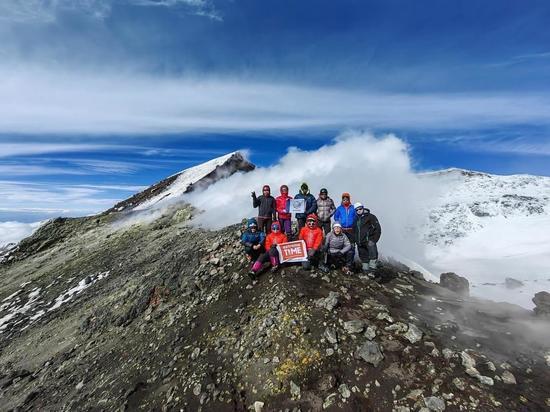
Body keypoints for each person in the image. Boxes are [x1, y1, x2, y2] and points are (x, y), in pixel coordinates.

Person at [352, 202, 382, 273]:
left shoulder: (370, 217)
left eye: (360, 208)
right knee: (363, 258)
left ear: (363, 208)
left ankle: (372, 270)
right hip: (360, 242)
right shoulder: (355, 219)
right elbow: (354, 231)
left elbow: (378, 229)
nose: (359, 210)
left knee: (372, 255)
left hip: (369, 241)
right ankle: (366, 271)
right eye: (356, 210)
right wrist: (355, 241)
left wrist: (373, 240)